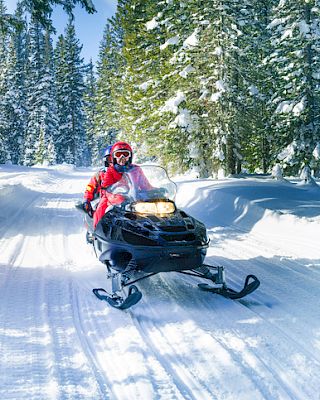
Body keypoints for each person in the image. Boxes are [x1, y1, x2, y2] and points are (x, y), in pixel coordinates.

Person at [93, 141, 153, 228]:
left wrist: (155, 191)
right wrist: (115, 194)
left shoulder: (136, 170)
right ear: (113, 157)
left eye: (125, 154)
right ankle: (97, 232)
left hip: (135, 198)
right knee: (101, 208)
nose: (122, 157)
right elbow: (106, 186)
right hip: (114, 198)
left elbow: (145, 185)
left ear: (130, 156)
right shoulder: (111, 170)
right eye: (118, 155)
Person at [82, 145, 113, 216]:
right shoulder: (100, 174)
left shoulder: (127, 173)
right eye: (110, 159)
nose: (113, 162)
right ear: (106, 160)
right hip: (107, 203)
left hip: (126, 203)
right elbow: (90, 188)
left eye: (115, 159)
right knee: (99, 213)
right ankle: (97, 226)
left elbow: (139, 186)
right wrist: (87, 200)